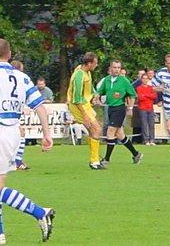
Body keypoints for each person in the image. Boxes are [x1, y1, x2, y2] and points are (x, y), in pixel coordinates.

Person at [0, 38, 55, 244]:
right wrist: (47, 133)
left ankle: (40, 212)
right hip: (12, 132)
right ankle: (1, 234)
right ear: (10, 53)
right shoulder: (22, 77)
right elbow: (40, 106)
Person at [96, 60, 143, 165]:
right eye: (115, 67)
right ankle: (136, 154)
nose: (117, 70)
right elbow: (99, 91)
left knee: (110, 132)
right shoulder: (107, 80)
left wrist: (130, 108)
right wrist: (97, 99)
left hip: (119, 108)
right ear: (110, 69)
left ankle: (106, 160)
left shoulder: (124, 81)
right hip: (110, 108)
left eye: (118, 68)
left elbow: (132, 95)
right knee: (120, 134)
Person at [67, 52, 104, 170]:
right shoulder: (79, 76)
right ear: (89, 63)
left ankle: (95, 158)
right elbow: (76, 99)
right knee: (96, 129)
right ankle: (94, 161)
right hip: (79, 105)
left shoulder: (84, 70)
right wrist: (85, 116)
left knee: (94, 129)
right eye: (95, 63)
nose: (96, 65)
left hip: (85, 103)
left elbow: (88, 87)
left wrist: (94, 94)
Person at [10, 60, 30, 170]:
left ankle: (16, 160)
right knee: (20, 133)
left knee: (20, 132)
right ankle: (17, 161)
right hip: (9, 116)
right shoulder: (19, 79)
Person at [136, 73, 157, 145]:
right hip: (142, 108)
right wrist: (148, 96)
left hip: (150, 108)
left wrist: (145, 95)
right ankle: (146, 140)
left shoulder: (151, 87)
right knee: (144, 124)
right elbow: (140, 97)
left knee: (151, 124)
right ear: (141, 79)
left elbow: (154, 96)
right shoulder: (138, 88)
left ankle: (152, 140)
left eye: (146, 78)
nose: (145, 80)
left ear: (148, 79)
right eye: (143, 78)